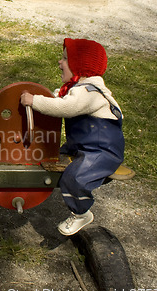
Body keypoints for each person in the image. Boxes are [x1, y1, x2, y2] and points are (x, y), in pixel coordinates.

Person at [21, 38, 124, 235]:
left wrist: (34, 101)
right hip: (83, 145)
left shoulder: (89, 92)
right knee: (51, 157)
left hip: (102, 151)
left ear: (81, 66)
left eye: (66, 59)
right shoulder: (79, 89)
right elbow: (60, 100)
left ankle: (81, 213)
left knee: (75, 177)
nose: (60, 62)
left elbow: (65, 107)